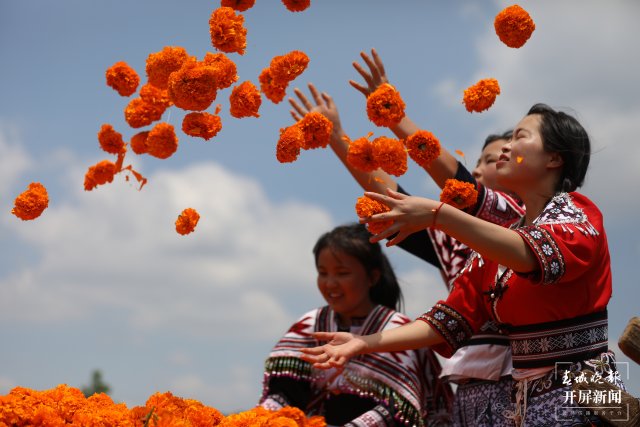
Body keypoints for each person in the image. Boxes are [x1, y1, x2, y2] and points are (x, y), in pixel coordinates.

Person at [299, 104, 626, 426]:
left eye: (520, 137)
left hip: (585, 390)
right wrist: (362, 343)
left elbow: (523, 249)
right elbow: (448, 320)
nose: (507, 147)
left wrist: (438, 214)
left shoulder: (576, 214)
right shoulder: (496, 244)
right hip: (522, 400)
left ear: (554, 158)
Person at [289, 48, 524, 426]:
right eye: (479, 161)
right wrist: (336, 138)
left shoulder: (532, 221)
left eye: (497, 159)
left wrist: (393, 112)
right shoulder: (450, 237)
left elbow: (458, 182)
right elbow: (389, 198)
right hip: (477, 376)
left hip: (539, 376)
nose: (480, 170)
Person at [259, 223, 454, 426]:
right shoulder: (309, 325)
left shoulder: (397, 330)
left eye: (342, 273)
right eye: (323, 273)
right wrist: (262, 418)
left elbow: (398, 411)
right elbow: (285, 393)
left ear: (372, 277)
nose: (330, 283)